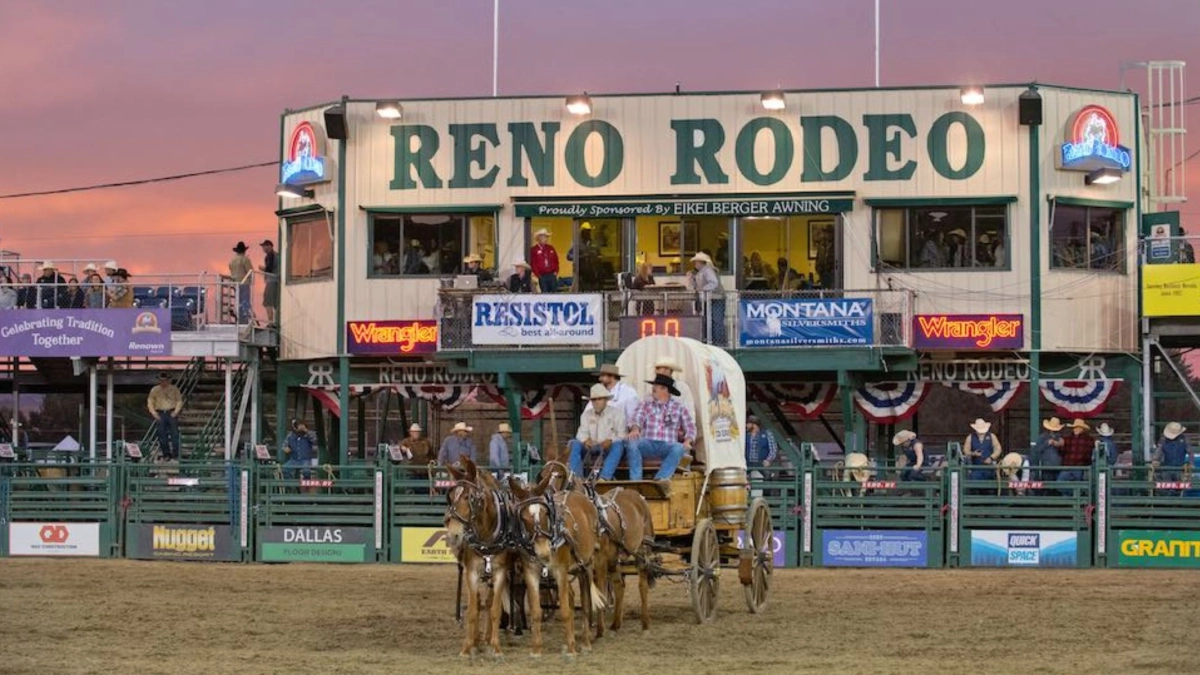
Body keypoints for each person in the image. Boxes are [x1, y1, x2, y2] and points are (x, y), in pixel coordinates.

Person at [619, 373, 695, 485]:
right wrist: (635, 429)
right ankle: (636, 481)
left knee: (679, 447)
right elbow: (637, 418)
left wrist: (688, 441)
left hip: (667, 445)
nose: (653, 389)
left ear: (665, 390)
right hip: (648, 443)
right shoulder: (646, 405)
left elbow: (690, 427)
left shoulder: (679, 408)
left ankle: (660, 480)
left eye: (656, 387)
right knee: (632, 442)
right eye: (653, 386)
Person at [571, 383, 626, 479]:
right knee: (575, 443)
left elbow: (621, 434)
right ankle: (576, 478)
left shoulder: (617, 414)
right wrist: (585, 440)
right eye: (594, 400)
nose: (596, 402)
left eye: (599, 399)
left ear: (606, 400)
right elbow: (581, 433)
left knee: (618, 445)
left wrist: (610, 440)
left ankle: (604, 478)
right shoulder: (586, 415)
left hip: (608, 448)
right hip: (591, 447)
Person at [685, 251, 725, 344]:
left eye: (696, 262)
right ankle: (713, 341)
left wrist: (702, 290)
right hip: (709, 299)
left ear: (701, 262)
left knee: (716, 320)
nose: (695, 264)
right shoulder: (701, 272)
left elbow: (714, 283)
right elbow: (693, 286)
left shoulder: (707, 270)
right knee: (710, 320)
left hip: (716, 298)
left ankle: (718, 342)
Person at [147, 372, 184, 461]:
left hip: (171, 412)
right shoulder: (154, 390)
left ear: (168, 380)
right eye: (161, 380)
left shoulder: (174, 389)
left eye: (165, 380)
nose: (163, 382)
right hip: (160, 413)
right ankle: (166, 454)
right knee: (162, 435)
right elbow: (150, 402)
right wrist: (154, 413)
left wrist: (176, 412)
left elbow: (179, 400)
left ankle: (175, 454)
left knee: (174, 434)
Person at [1153, 421, 1192, 486]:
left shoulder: (1184, 439)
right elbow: (1159, 451)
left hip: (1180, 468)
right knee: (1166, 485)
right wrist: (1155, 460)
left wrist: (1190, 463)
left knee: (1179, 486)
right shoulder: (1164, 440)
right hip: (1167, 468)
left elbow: (1190, 453)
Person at [1057, 419, 1094, 484]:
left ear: (1082, 429)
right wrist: (1060, 446)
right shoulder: (1068, 439)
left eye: (1078, 428)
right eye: (1075, 428)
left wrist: (1084, 462)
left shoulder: (1088, 440)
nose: (1076, 429)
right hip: (1067, 466)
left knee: (1076, 484)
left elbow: (1089, 453)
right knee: (1059, 483)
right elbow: (1062, 451)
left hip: (1079, 467)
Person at [1034, 417, 1065, 482]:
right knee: (1047, 484)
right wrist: (1047, 443)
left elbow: (1064, 452)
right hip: (1046, 466)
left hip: (1058, 466)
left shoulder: (1060, 438)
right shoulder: (1042, 437)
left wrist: (1059, 445)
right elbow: (1037, 449)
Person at [229, 241, 253, 322]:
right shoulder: (245, 260)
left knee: (238, 301)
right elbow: (250, 271)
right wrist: (251, 280)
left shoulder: (232, 261)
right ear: (244, 251)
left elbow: (231, 270)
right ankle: (244, 318)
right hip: (244, 283)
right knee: (245, 301)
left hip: (235, 283)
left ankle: (239, 318)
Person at [530, 228, 560, 293]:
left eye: (546, 237)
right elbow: (533, 263)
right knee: (545, 293)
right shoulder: (534, 250)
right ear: (539, 238)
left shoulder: (551, 248)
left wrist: (556, 271)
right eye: (543, 237)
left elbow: (556, 260)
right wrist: (538, 275)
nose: (545, 239)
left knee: (554, 293)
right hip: (542, 275)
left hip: (552, 274)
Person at [259, 240, 278, 325]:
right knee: (275, 302)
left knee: (268, 301)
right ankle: (275, 321)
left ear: (269, 246)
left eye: (264, 246)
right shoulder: (277, 255)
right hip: (277, 280)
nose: (263, 248)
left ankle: (270, 322)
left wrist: (262, 268)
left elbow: (269, 269)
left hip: (271, 281)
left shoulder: (270, 255)